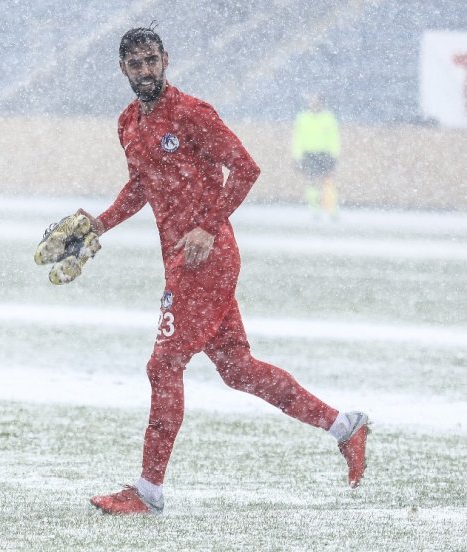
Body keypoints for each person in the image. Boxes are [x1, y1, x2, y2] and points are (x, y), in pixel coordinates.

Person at [77, 26, 369, 516]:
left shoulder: (191, 113)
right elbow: (140, 187)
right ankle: (346, 426)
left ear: (166, 59)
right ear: (122, 69)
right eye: (136, 64)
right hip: (180, 261)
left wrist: (208, 227)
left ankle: (148, 491)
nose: (146, 71)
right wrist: (99, 224)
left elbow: (246, 168)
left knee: (163, 365)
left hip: (206, 260)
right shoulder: (129, 122)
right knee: (238, 370)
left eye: (152, 61)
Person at [291, 94, 341, 217]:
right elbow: (298, 138)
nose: (313, 104)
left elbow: (334, 137)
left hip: (325, 153)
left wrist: (334, 154)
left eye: (316, 101)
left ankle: (331, 209)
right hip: (309, 154)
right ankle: (314, 209)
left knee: (327, 181)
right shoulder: (303, 118)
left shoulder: (328, 118)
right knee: (311, 181)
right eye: (311, 101)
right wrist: (297, 155)